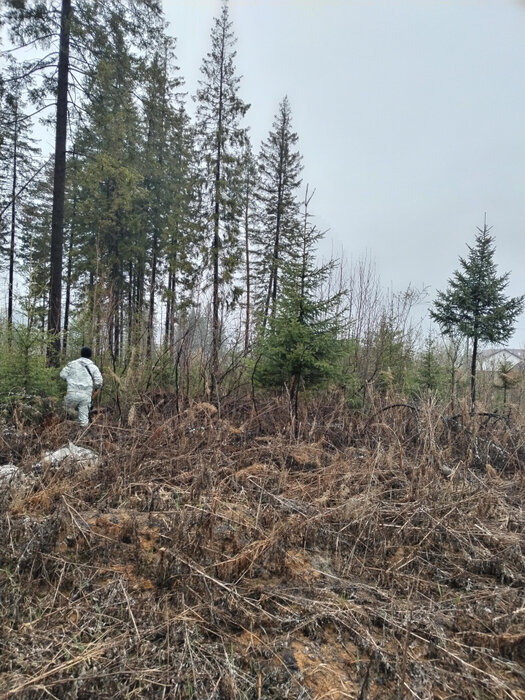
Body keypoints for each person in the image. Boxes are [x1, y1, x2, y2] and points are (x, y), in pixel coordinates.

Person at [60, 347, 103, 427]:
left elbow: (62, 375)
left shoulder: (72, 364)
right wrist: (94, 389)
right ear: (90, 355)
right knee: (84, 421)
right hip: (86, 396)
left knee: (65, 415)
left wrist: (70, 381)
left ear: (81, 354)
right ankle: (82, 436)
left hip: (71, 393)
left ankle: (63, 433)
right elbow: (99, 382)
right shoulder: (93, 367)